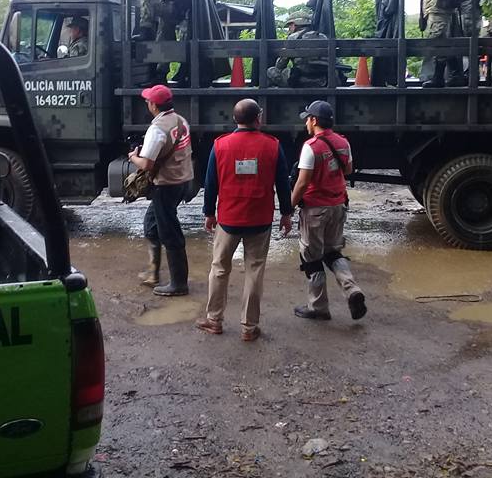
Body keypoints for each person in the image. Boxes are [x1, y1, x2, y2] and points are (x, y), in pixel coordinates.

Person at [196, 99, 294, 342]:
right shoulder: (272, 146)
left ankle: (214, 320)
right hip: (260, 220)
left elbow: (210, 184)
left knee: (219, 269)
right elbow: (283, 182)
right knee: (254, 270)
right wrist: (286, 213)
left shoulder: (220, 146)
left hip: (228, 219)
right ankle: (249, 327)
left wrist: (209, 213)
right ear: (258, 118)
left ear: (234, 119)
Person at [291, 100, 366, 322]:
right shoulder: (343, 142)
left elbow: (303, 183)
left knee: (312, 258)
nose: (306, 122)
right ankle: (352, 290)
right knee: (333, 252)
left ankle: (318, 307)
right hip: (338, 205)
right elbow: (349, 169)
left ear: (314, 121)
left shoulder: (311, 146)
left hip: (315, 209)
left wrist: (290, 205)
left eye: (307, 118)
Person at [127, 84, 194, 297]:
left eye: (148, 101)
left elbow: (146, 164)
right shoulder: (180, 120)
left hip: (167, 185)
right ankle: (153, 272)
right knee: (151, 225)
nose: (147, 103)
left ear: (154, 105)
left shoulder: (157, 129)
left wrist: (132, 157)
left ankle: (179, 284)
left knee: (170, 232)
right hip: (182, 181)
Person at [266, 12, 331, 87]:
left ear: (294, 24)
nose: (289, 28)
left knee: (271, 71)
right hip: (322, 80)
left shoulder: (292, 38)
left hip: (299, 80)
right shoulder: (322, 36)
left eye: (289, 25)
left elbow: (280, 65)